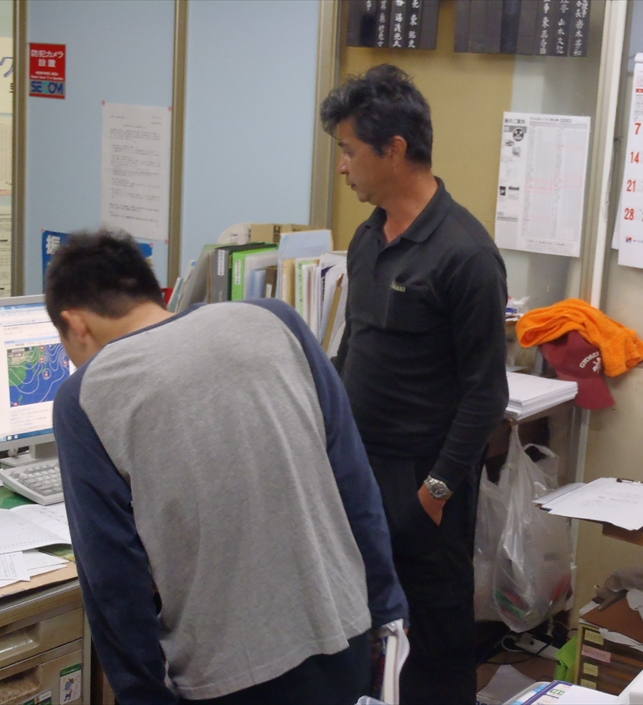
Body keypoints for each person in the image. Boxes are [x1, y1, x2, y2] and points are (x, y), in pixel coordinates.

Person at [46, 231, 408, 705]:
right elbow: (353, 480)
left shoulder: (83, 397)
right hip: (346, 637)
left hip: (228, 677)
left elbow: (112, 578)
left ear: (75, 324)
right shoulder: (277, 320)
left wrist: (144, 695)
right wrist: (387, 608)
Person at [320, 64, 509, 704]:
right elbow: (354, 348)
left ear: (394, 150)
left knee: (432, 653)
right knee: (362, 642)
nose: (342, 166)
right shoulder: (367, 238)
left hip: (423, 486)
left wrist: (435, 491)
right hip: (359, 473)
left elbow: (486, 393)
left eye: (350, 150)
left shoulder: (466, 253)